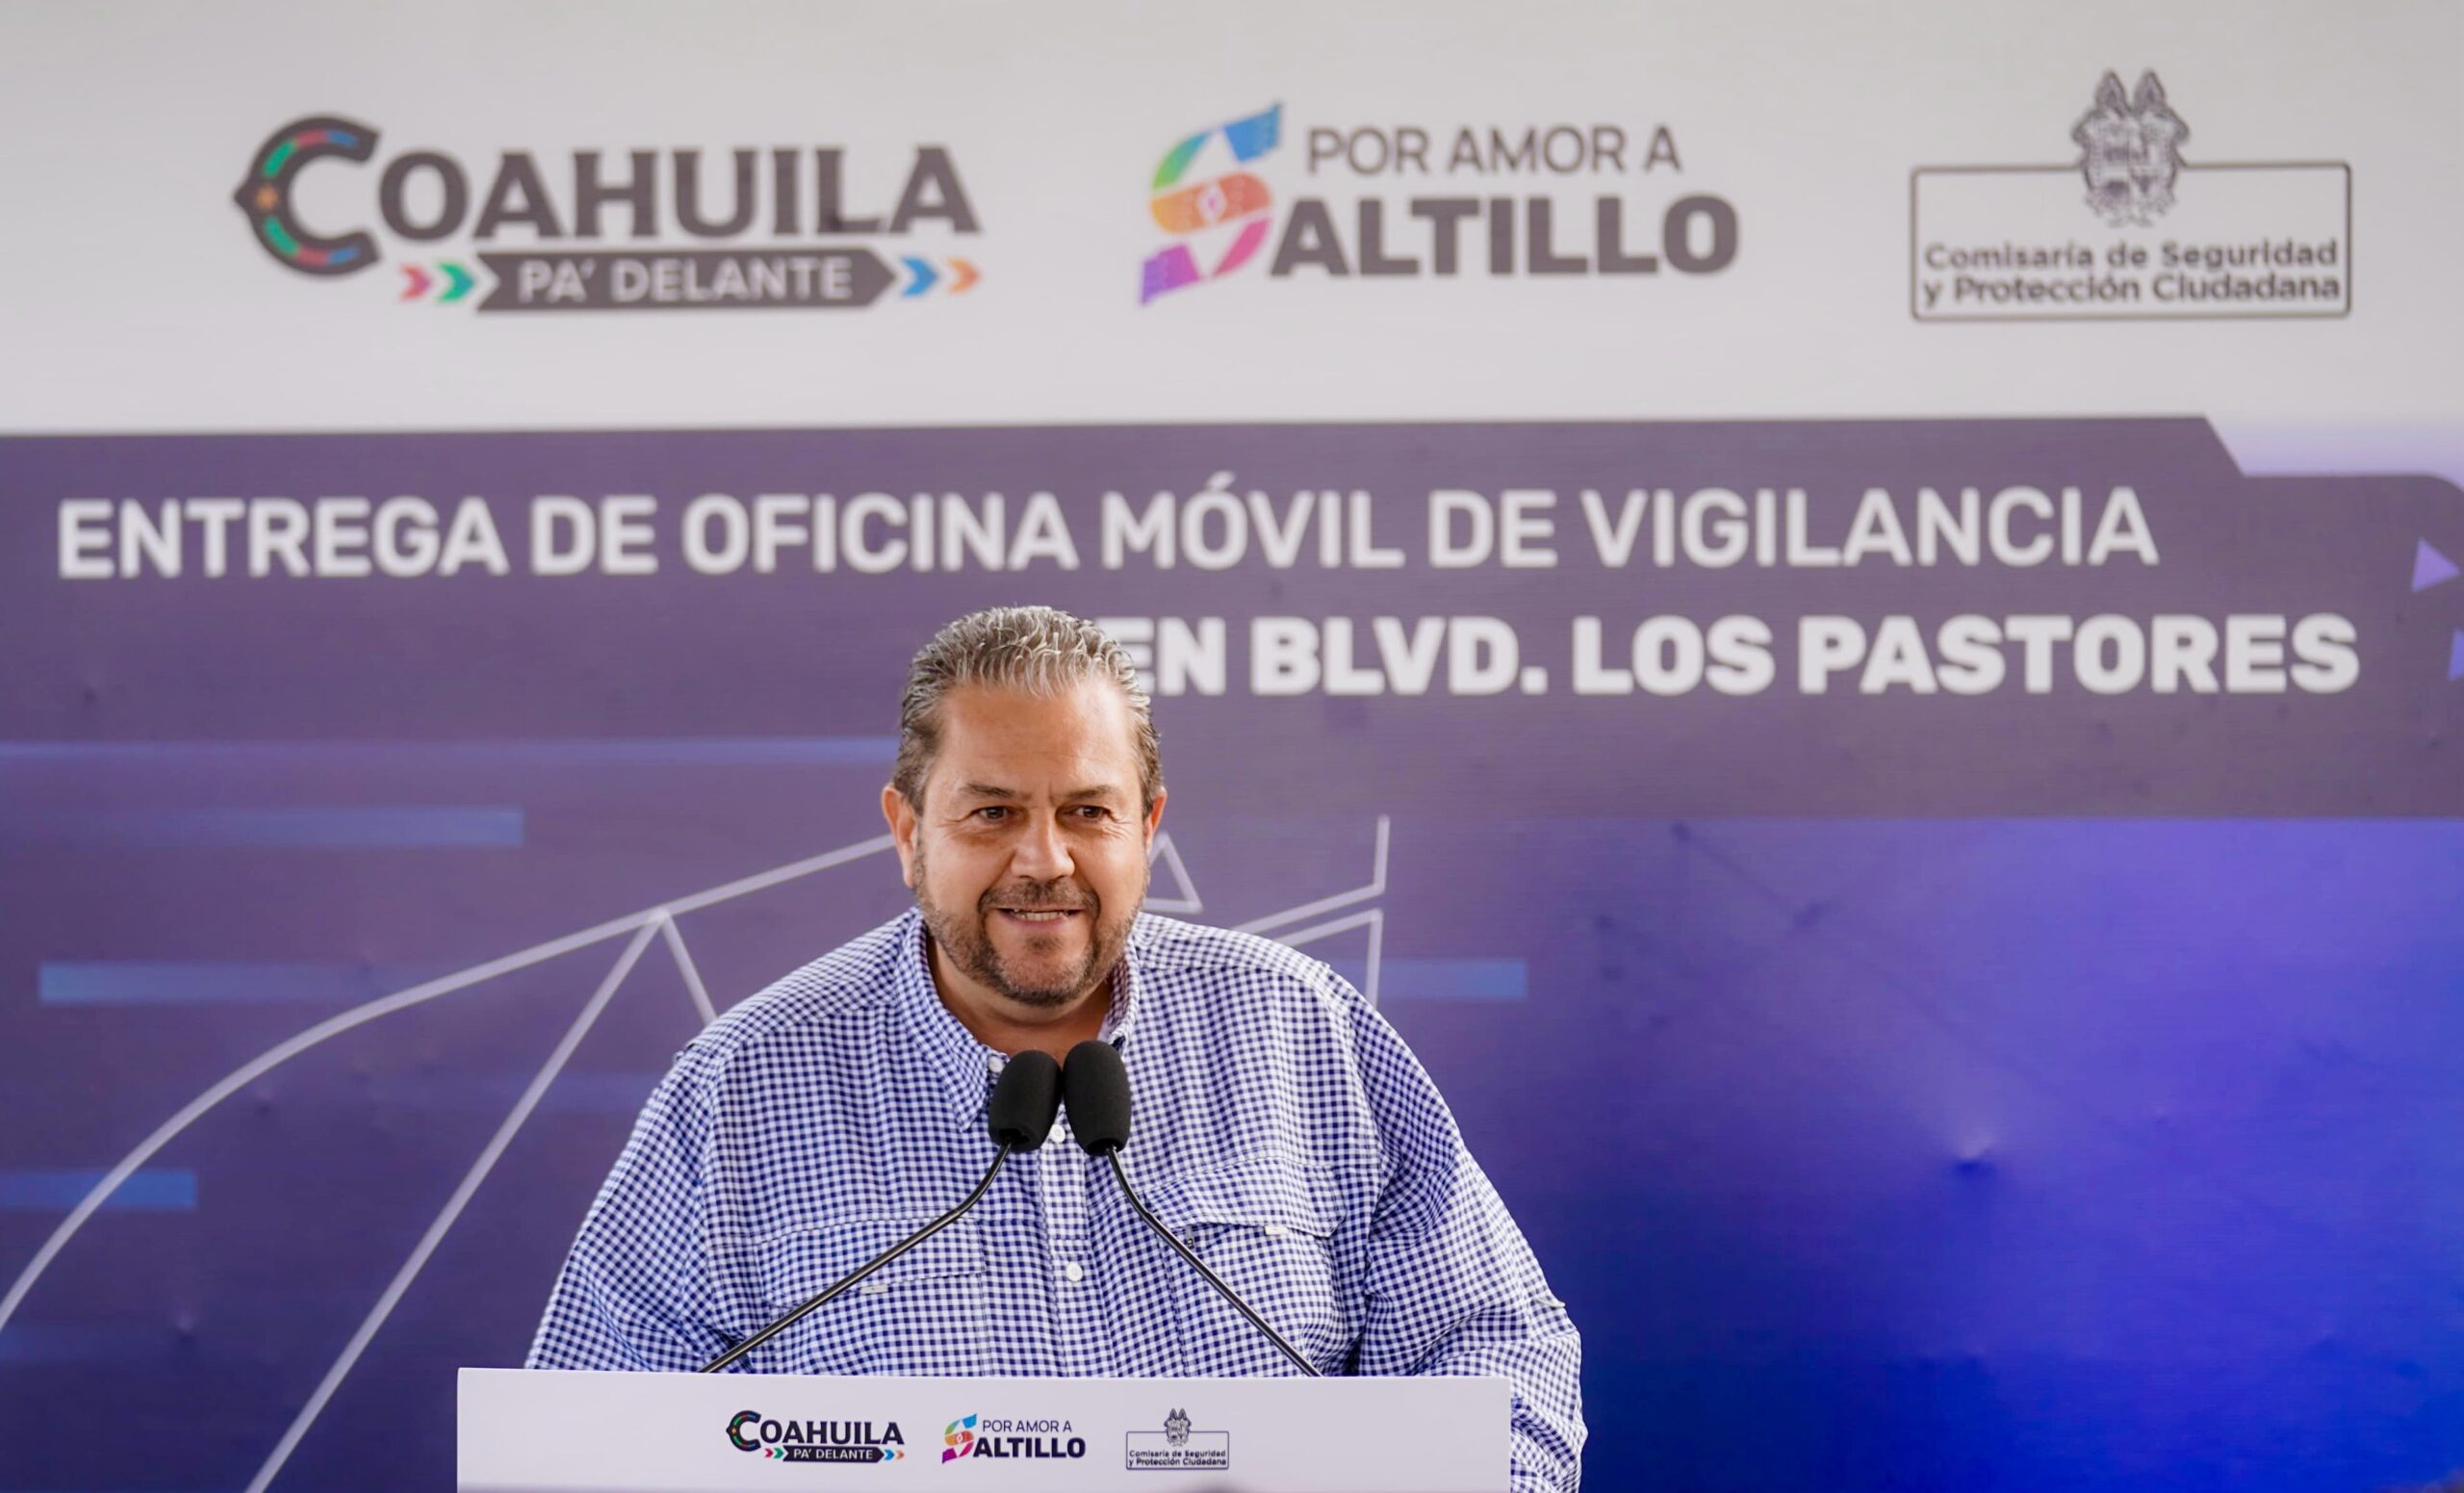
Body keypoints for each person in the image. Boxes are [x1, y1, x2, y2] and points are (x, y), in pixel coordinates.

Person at [526, 605, 1584, 1490]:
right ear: (908, 832)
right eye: (992, 813)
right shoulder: (742, 1083)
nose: (1046, 860)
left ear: (1147, 826)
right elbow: (580, 1442)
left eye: (1087, 811)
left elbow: (1500, 1354)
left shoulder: (1302, 1029)